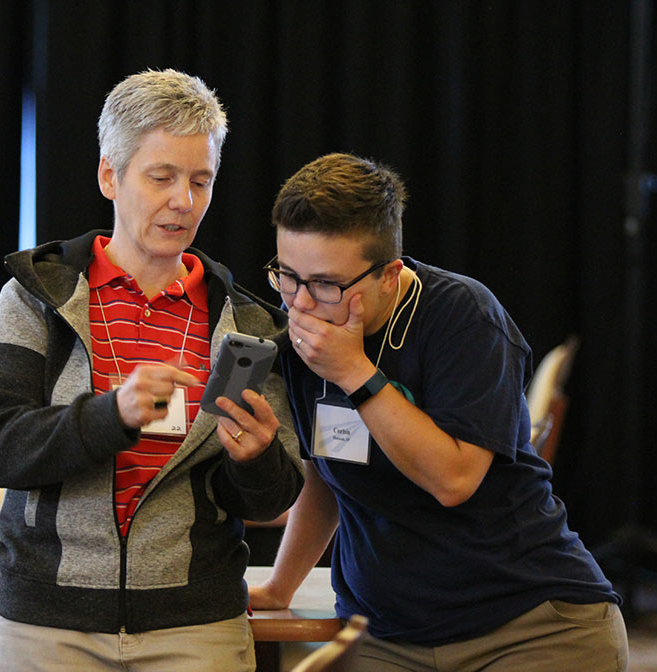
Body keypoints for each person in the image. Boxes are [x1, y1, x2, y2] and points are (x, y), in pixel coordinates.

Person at [0, 69, 303, 672]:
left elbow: (268, 500)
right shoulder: (36, 298)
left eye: (201, 180)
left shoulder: (247, 324)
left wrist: (255, 458)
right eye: (162, 177)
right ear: (109, 176)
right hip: (51, 622)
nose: (184, 201)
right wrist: (111, 415)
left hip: (197, 625)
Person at [250, 153, 629, 671]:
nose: (301, 305)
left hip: (528, 626)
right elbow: (327, 473)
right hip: (386, 634)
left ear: (390, 276)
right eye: (287, 277)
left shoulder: (464, 316)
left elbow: (453, 479)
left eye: (326, 285)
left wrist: (356, 372)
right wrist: (280, 586)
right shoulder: (306, 334)